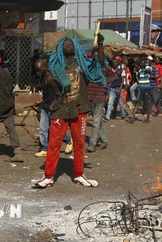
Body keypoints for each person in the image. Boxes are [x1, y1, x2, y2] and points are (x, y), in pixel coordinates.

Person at [34, 36, 106, 188]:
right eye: (64, 44)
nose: (67, 45)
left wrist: (100, 45)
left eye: (70, 43)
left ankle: (79, 175)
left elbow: (98, 63)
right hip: (60, 110)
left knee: (79, 144)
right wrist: (48, 82)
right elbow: (42, 81)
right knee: (54, 144)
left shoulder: (82, 65)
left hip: (79, 110)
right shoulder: (54, 65)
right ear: (60, 48)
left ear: (75, 47)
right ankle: (48, 176)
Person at [33, 59, 73, 158]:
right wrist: (41, 101)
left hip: (54, 106)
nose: (39, 71)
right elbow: (46, 91)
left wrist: (55, 103)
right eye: (37, 70)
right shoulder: (42, 77)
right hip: (45, 105)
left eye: (40, 69)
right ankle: (44, 149)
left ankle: (68, 140)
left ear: (45, 66)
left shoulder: (53, 77)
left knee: (54, 129)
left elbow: (60, 93)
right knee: (43, 129)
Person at [86, 51, 117, 152]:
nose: (95, 57)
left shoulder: (105, 67)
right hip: (91, 96)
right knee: (98, 121)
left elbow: (115, 76)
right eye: (94, 56)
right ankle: (104, 141)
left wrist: (106, 80)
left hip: (100, 96)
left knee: (95, 121)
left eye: (97, 55)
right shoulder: (89, 67)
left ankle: (92, 144)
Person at [128, 58, 152, 124]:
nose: (142, 64)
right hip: (141, 89)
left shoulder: (148, 69)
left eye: (143, 63)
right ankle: (132, 118)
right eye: (141, 63)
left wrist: (147, 63)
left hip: (146, 89)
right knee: (137, 103)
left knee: (146, 104)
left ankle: (148, 118)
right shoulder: (140, 70)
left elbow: (148, 69)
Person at [105, 56, 125, 121]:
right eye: (113, 62)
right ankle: (107, 116)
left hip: (118, 88)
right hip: (112, 89)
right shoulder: (110, 70)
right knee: (110, 102)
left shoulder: (121, 70)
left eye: (115, 62)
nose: (114, 63)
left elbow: (122, 80)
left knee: (120, 103)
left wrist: (120, 89)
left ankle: (123, 114)